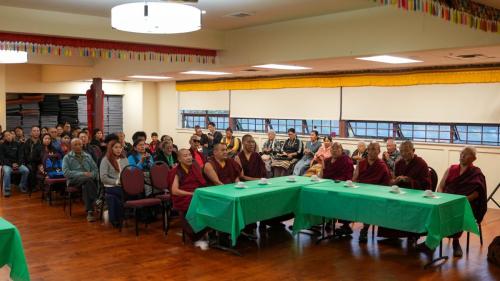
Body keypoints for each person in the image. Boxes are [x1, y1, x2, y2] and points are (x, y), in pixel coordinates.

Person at [434, 146, 487, 257]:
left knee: (458, 210)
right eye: (462, 153)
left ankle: (455, 242)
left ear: (473, 158)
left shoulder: (476, 173)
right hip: (446, 200)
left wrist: (461, 200)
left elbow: (478, 193)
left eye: (466, 154)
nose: (462, 156)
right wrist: (443, 198)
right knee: (434, 209)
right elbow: (440, 187)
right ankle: (433, 240)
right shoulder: (451, 169)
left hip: (464, 202)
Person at [378, 140, 431, 242]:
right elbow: (393, 181)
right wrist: (396, 180)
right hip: (400, 194)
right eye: (402, 151)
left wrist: (410, 180)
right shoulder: (399, 163)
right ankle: (392, 234)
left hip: (415, 195)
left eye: (407, 151)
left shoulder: (421, 163)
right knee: (388, 203)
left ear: (413, 150)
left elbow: (426, 184)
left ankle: (412, 234)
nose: (404, 154)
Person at [352, 142, 392, 243]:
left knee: (369, 204)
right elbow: (354, 179)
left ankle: (364, 229)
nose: (371, 152)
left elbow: (386, 184)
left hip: (375, 194)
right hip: (361, 192)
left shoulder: (382, 165)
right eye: (369, 149)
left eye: (374, 149)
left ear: (379, 151)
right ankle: (344, 225)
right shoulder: (361, 163)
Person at [171, 148, 209, 248]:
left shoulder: (195, 167)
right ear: (179, 159)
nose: (189, 157)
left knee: (212, 203)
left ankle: (210, 231)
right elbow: (175, 190)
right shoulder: (176, 171)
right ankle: (197, 235)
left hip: (197, 194)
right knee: (195, 205)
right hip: (185, 197)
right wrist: (192, 194)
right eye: (185, 156)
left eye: (189, 155)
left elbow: (201, 183)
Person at [320, 142, 354, 236]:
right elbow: (322, 174)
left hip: (341, 187)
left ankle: (346, 225)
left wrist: (338, 182)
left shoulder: (346, 160)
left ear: (342, 150)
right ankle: (325, 220)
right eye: (333, 149)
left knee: (341, 199)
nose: (334, 150)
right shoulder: (327, 160)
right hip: (327, 186)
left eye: (337, 148)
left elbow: (348, 176)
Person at [62, 138, 99, 222]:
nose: (78, 146)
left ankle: (90, 211)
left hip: (88, 180)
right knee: (87, 180)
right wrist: (82, 174)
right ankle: (97, 200)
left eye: (80, 144)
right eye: (75, 144)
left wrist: (91, 175)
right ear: (71, 146)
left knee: (87, 183)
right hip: (73, 180)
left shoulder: (87, 156)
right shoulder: (67, 157)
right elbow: (66, 173)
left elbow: (95, 170)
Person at [100, 140, 130, 228]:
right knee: (121, 194)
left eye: (120, 147)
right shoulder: (105, 160)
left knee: (137, 191)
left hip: (124, 186)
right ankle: (118, 217)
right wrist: (117, 182)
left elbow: (128, 173)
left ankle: (127, 215)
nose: (118, 150)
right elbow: (103, 178)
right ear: (111, 148)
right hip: (111, 186)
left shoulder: (124, 159)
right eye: (116, 147)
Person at [0, 131, 30, 196]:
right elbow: (2, 158)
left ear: (12, 135)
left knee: (26, 170)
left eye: (9, 135)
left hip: (17, 164)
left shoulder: (17, 144)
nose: (8, 136)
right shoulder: (2, 146)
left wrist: (18, 164)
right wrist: (11, 165)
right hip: (7, 164)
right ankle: (7, 190)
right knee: (7, 172)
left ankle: (22, 186)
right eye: (6, 136)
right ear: (4, 137)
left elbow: (21, 156)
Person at [23, 126, 42, 192]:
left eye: (38, 131)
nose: (36, 132)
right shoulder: (27, 142)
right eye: (34, 131)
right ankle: (32, 186)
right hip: (30, 162)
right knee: (31, 167)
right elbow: (26, 155)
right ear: (31, 132)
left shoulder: (41, 141)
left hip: (40, 161)